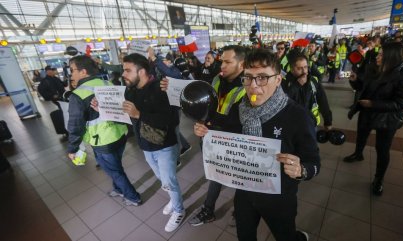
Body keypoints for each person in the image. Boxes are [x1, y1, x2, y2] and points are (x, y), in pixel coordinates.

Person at [195, 48, 320, 241]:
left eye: (262, 78)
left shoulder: (298, 116)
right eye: (248, 78)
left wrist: (301, 170)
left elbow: (314, 162)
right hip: (245, 192)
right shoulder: (239, 108)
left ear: (278, 80)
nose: (253, 86)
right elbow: (228, 132)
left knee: (285, 236)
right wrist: (206, 131)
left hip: (280, 197)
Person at [161, 45, 246, 226]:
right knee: (215, 174)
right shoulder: (216, 78)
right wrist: (173, 87)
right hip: (210, 138)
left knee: (241, 178)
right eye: (222, 60)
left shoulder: (249, 87)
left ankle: (241, 210)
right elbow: (198, 94)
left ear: (242, 64)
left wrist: (207, 121)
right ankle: (208, 210)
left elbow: (239, 121)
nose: (222, 64)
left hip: (234, 143)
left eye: (228, 61)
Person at [121, 53, 185, 232]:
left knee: (169, 181)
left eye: (127, 70)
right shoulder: (130, 90)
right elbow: (127, 115)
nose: (123, 74)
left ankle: (179, 210)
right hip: (145, 145)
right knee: (162, 179)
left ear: (141, 71)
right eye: (123, 70)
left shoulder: (162, 88)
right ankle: (174, 200)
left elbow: (169, 121)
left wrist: (139, 114)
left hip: (165, 145)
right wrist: (102, 108)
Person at [67, 55, 141, 206]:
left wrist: (72, 148)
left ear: (83, 72)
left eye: (72, 70)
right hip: (120, 134)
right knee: (116, 166)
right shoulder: (107, 83)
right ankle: (119, 189)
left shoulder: (78, 94)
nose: (71, 74)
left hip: (102, 140)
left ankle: (133, 197)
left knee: (114, 171)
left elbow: (75, 124)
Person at [344, 42, 403, 195]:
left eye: (381, 54)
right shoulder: (374, 68)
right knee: (361, 135)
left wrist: (373, 103)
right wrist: (355, 80)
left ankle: (378, 179)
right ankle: (358, 153)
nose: (377, 56)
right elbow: (362, 87)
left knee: (382, 148)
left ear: (391, 57)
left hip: (387, 117)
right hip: (367, 111)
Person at [282, 51, 333, 130]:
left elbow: (323, 102)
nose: (304, 71)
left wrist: (328, 121)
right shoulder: (284, 82)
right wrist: (296, 86)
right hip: (292, 125)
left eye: (305, 67)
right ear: (292, 69)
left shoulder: (313, 80)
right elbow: (282, 101)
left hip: (311, 123)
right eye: (299, 68)